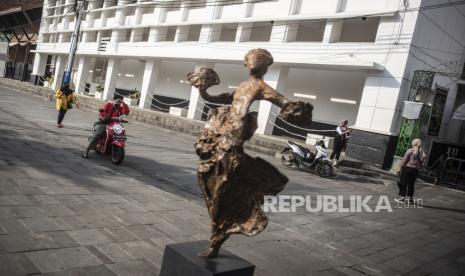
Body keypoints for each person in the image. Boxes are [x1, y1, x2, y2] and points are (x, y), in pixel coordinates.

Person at [187, 48, 313, 258]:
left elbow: (282, 102)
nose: (249, 62)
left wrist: (295, 110)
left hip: (233, 146)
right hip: (222, 138)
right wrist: (203, 91)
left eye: (253, 59)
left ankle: (218, 238)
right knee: (208, 183)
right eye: (248, 59)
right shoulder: (244, 85)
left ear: (262, 64)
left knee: (222, 192)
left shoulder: (261, 86)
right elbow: (228, 97)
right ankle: (218, 232)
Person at [82, 94, 129, 158]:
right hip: (103, 123)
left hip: (113, 124)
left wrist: (123, 103)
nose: (118, 102)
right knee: (98, 134)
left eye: (120, 101)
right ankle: (86, 151)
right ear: (114, 100)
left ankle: (111, 149)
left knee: (121, 132)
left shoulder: (120, 108)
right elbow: (102, 113)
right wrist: (104, 116)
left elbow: (126, 112)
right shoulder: (108, 104)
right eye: (117, 100)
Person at [395, 138, 426, 203]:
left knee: (404, 182)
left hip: (408, 168)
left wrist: (399, 168)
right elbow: (422, 162)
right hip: (416, 170)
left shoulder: (410, 150)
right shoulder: (422, 152)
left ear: (413, 143)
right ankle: (410, 198)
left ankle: (402, 198)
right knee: (411, 184)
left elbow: (404, 160)